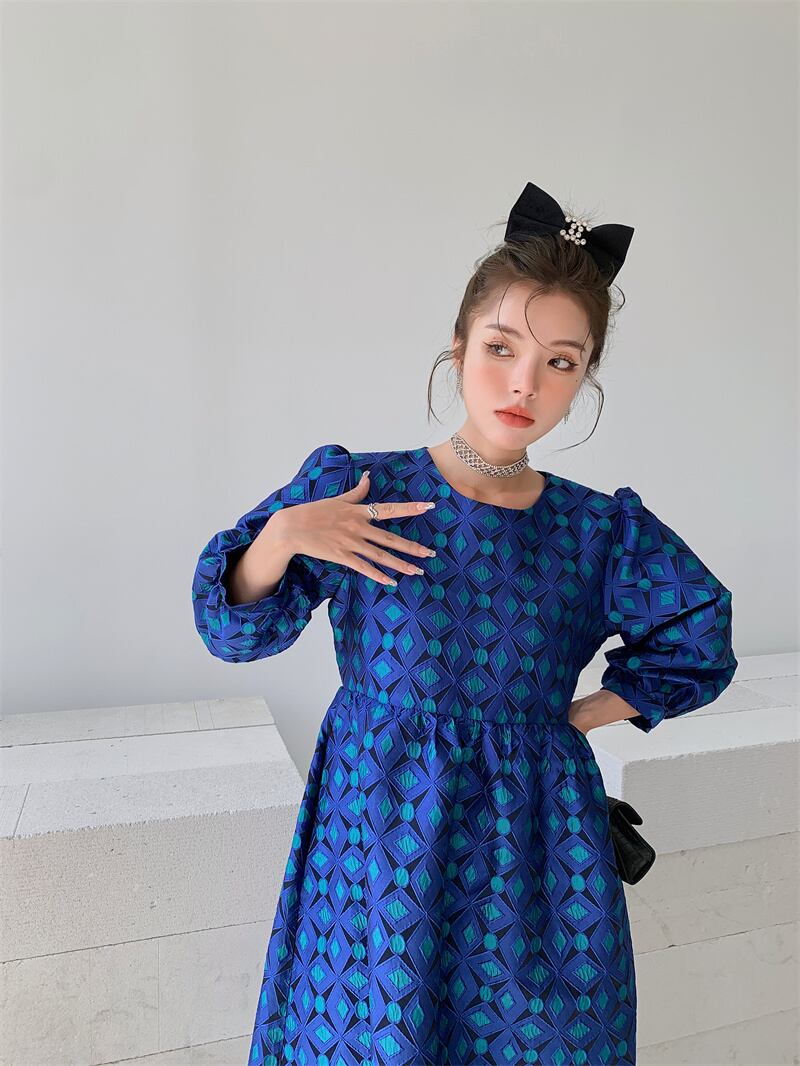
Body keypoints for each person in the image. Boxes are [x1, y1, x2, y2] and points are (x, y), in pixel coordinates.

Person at [191, 181, 737, 1066]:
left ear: (585, 378)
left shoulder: (600, 532)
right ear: (458, 345)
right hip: (378, 844)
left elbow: (700, 632)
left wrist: (579, 716)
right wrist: (285, 534)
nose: (525, 383)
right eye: (501, 346)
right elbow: (234, 632)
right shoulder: (361, 490)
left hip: (535, 850)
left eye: (561, 361)